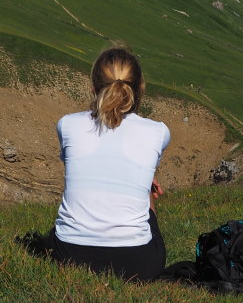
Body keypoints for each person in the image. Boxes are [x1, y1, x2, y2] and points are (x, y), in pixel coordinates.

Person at [45, 45, 170, 281]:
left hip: (68, 255)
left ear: (93, 88)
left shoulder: (67, 125)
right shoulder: (158, 132)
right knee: (145, 187)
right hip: (139, 265)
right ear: (139, 88)